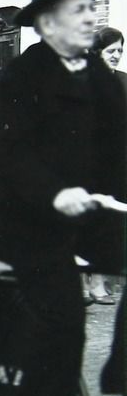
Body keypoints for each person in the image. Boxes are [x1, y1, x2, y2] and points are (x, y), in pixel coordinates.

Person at [0, 0, 127, 396]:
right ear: (47, 24)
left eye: (93, 8)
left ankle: (122, 370)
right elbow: (9, 151)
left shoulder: (96, 73)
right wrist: (54, 193)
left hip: (91, 211)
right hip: (26, 218)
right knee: (62, 318)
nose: (91, 17)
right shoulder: (23, 76)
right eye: (80, 10)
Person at [82, 27, 127, 305]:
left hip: (117, 164)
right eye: (112, 51)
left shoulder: (124, 82)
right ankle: (82, 282)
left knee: (108, 223)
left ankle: (98, 280)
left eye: (120, 51)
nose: (117, 56)